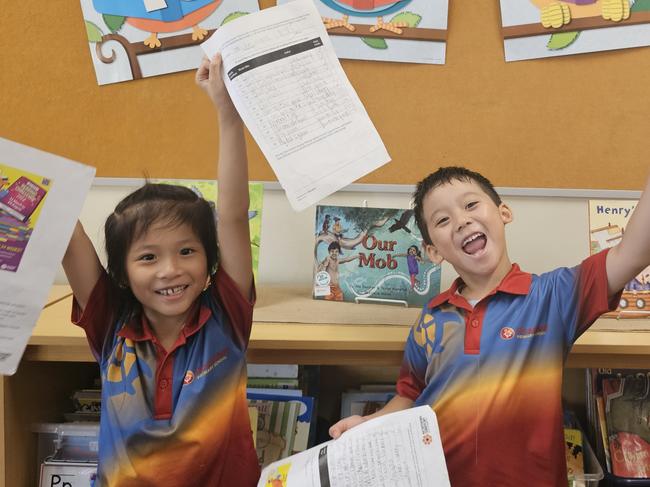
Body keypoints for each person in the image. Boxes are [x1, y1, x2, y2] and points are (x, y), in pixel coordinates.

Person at [330, 166, 650, 486]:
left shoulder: (553, 296)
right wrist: (369, 424)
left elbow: (635, 251)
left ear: (504, 213)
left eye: (471, 205)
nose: (461, 220)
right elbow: (410, 395)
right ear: (433, 251)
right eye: (442, 220)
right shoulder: (431, 317)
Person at [61, 54, 259, 487]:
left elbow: (232, 216)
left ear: (210, 260)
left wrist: (227, 113)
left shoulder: (227, 315)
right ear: (122, 272)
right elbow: (59, 222)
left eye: (186, 251)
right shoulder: (111, 322)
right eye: (148, 257)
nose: (171, 270)